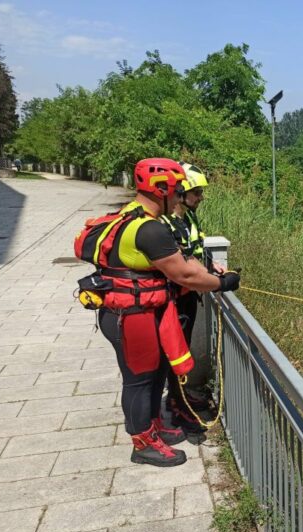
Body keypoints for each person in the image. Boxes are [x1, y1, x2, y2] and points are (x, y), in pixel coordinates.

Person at [74, 158, 239, 467]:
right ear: (160, 189)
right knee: (139, 379)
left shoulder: (130, 216)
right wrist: (221, 282)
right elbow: (185, 276)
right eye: (176, 191)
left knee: (156, 371)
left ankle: (154, 425)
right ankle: (143, 443)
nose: (179, 197)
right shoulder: (150, 229)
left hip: (135, 312)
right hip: (132, 316)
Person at [160, 161, 225, 441]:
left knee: (182, 351)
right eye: (196, 192)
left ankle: (182, 399)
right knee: (177, 355)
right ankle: (177, 408)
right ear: (182, 191)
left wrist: (213, 269)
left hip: (188, 298)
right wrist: (218, 283)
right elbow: (181, 266)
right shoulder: (168, 223)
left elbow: (194, 251)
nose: (201, 197)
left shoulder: (187, 217)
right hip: (176, 300)